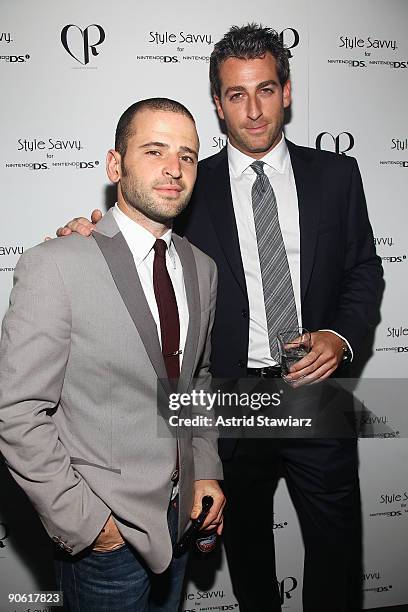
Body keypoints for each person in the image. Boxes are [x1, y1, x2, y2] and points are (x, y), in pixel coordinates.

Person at [55, 24, 384, 612]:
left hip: (316, 391)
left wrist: (340, 336)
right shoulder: (188, 181)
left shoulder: (337, 176)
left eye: (264, 89)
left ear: (287, 91)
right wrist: (89, 234)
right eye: (236, 94)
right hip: (228, 399)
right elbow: (136, 228)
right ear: (218, 103)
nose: (253, 110)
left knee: (337, 551)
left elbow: (364, 271)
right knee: (250, 550)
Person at [0, 97, 225, 612]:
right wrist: (87, 522)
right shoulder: (56, 264)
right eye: (154, 151)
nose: (174, 169)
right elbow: (16, 409)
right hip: (106, 534)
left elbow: (199, 380)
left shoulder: (202, 269)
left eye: (187, 156)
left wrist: (206, 469)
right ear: (114, 165)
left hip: (182, 517)